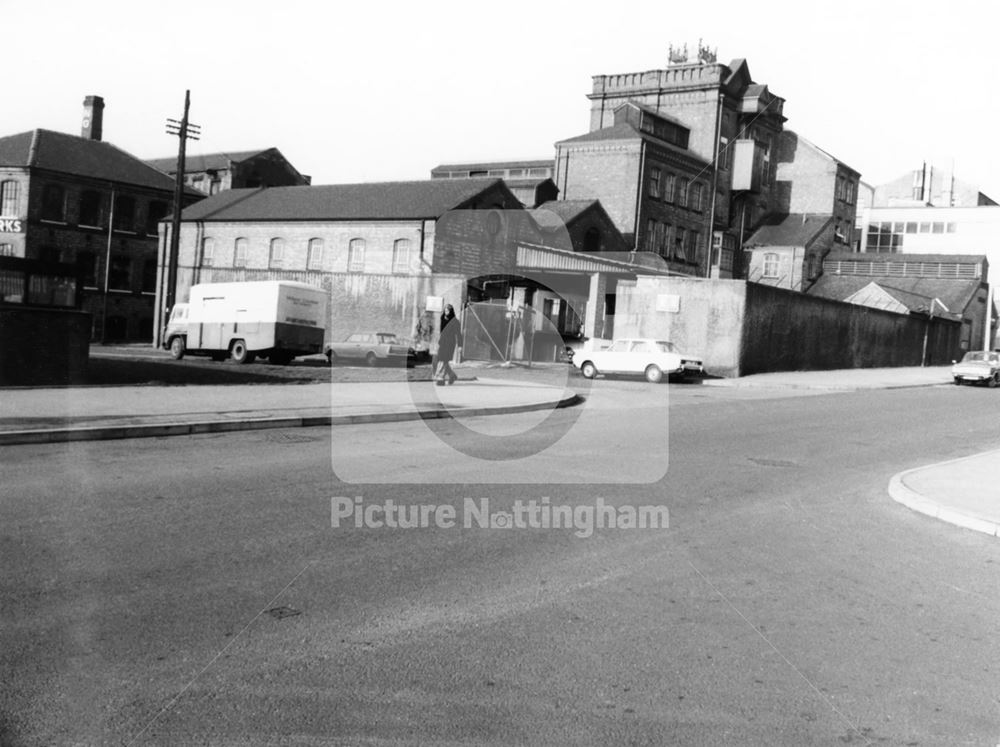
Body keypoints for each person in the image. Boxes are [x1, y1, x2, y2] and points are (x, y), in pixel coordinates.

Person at [435, 304, 461, 385]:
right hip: (442, 343)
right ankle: (452, 375)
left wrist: (460, 345)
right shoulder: (443, 319)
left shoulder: (455, 321)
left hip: (450, 344)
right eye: (445, 311)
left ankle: (440, 378)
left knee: (443, 360)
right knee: (441, 359)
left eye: (447, 311)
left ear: (451, 311)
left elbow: (459, 334)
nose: (446, 312)